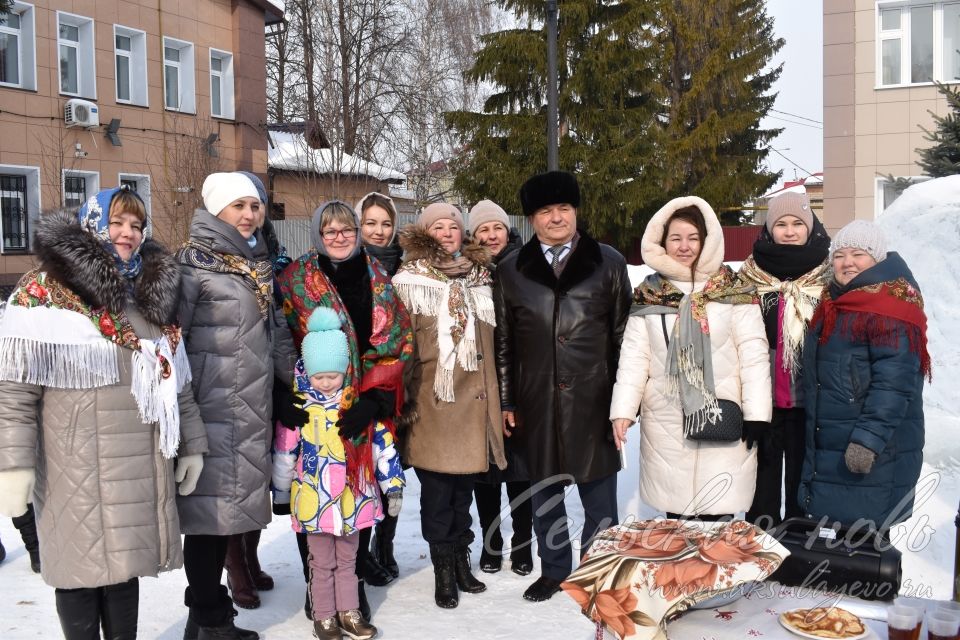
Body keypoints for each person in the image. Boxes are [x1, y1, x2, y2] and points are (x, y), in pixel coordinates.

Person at [0, 187, 206, 639]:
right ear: (92, 225)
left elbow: (177, 381)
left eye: (136, 225)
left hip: (136, 463)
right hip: (71, 463)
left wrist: (192, 445)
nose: (127, 233)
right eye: (117, 222)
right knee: (77, 572)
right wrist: (13, 465)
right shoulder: (43, 293)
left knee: (123, 572)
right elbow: (15, 392)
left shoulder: (151, 298)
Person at [494, 171, 631, 602]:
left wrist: (624, 401)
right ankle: (554, 571)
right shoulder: (511, 269)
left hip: (595, 401)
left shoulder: (608, 262)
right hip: (536, 402)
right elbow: (503, 341)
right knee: (545, 495)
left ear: (575, 211)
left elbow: (624, 335)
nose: (556, 218)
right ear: (533, 218)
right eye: (545, 211)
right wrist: (506, 400)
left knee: (600, 498)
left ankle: (595, 569)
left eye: (564, 209)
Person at [276, 200, 413, 620]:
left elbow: (397, 339)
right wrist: (286, 391)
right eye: (330, 230)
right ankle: (316, 585)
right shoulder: (295, 279)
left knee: (359, 494)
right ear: (318, 233)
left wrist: (375, 399)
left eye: (346, 229)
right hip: (313, 401)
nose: (339, 237)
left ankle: (351, 587)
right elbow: (281, 337)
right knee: (313, 499)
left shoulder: (378, 277)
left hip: (364, 402)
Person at [177, 173, 295, 640]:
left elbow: (277, 333)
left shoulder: (257, 264)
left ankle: (202, 621)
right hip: (211, 411)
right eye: (239, 206)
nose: (249, 215)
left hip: (249, 408)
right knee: (209, 523)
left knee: (225, 518)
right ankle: (211, 618)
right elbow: (172, 346)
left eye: (255, 206)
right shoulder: (192, 265)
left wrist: (291, 388)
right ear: (216, 210)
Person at [609, 196, 771, 522]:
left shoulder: (735, 290)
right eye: (675, 238)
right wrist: (623, 410)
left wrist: (757, 414)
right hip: (667, 420)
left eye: (693, 238)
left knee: (717, 518)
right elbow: (634, 357)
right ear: (661, 241)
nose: (684, 246)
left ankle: (714, 572)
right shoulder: (649, 293)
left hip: (724, 415)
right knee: (677, 520)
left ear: (707, 240)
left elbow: (754, 356)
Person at [392, 202, 507, 609]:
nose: (447, 232)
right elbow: (401, 347)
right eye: (438, 226)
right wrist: (401, 408)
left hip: (475, 404)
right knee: (438, 496)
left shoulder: (482, 278)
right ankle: (443, 570)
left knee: (463, 495)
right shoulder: (409, 280)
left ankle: (461, 562)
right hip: (434, 402)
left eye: (453, 226)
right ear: (426, 233)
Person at [272, 307, 404, 640]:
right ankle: (324, 616)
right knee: (320, 563)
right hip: (313, 502)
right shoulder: (301, 409)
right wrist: (283, 493)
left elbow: (383, 448)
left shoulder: (356, 409)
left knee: (349, 562)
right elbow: (285, 453)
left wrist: (393, 488)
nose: (327, 382)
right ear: (308, 373)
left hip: (353, 501)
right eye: (320, 376)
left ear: (346, 371)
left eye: (334, 375)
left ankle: (349, 612)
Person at [798, 220, 928, 531]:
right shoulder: (837, 301)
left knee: (865, 540)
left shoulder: (889, 307)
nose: (847, 262)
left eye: (858, 254)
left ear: (877, 258)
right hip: (835, 436)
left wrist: (867, 441)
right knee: (840, 534)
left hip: (871, 444)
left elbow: (894, 384)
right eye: (840, 255)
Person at [736, 191, 830, 527]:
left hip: (810, 399)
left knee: (803, 476)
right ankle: (760, 542)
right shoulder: (749, 278)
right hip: (764, 400)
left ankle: (798, 541)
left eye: (797, 224)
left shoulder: (829, 278)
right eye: (781, 224)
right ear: (769, 230)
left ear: (809, 227)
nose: (789, 231)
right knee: (763, 477)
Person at [466, 200, 532, 576]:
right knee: (485, 470)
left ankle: (523, 543)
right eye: (482, 231)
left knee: (521, 468)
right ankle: (492, 545)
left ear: (508, 231)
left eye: (496, 228)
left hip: (519, 379)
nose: (491, 236)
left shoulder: (525, 265)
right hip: (479, 381)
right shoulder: (468, 271)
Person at [357, 192, 403, 276]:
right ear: (358, 225)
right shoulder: (346, 267)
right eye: (371, 223)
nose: (379, 232)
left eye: (386, 224)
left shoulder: (405, 271)